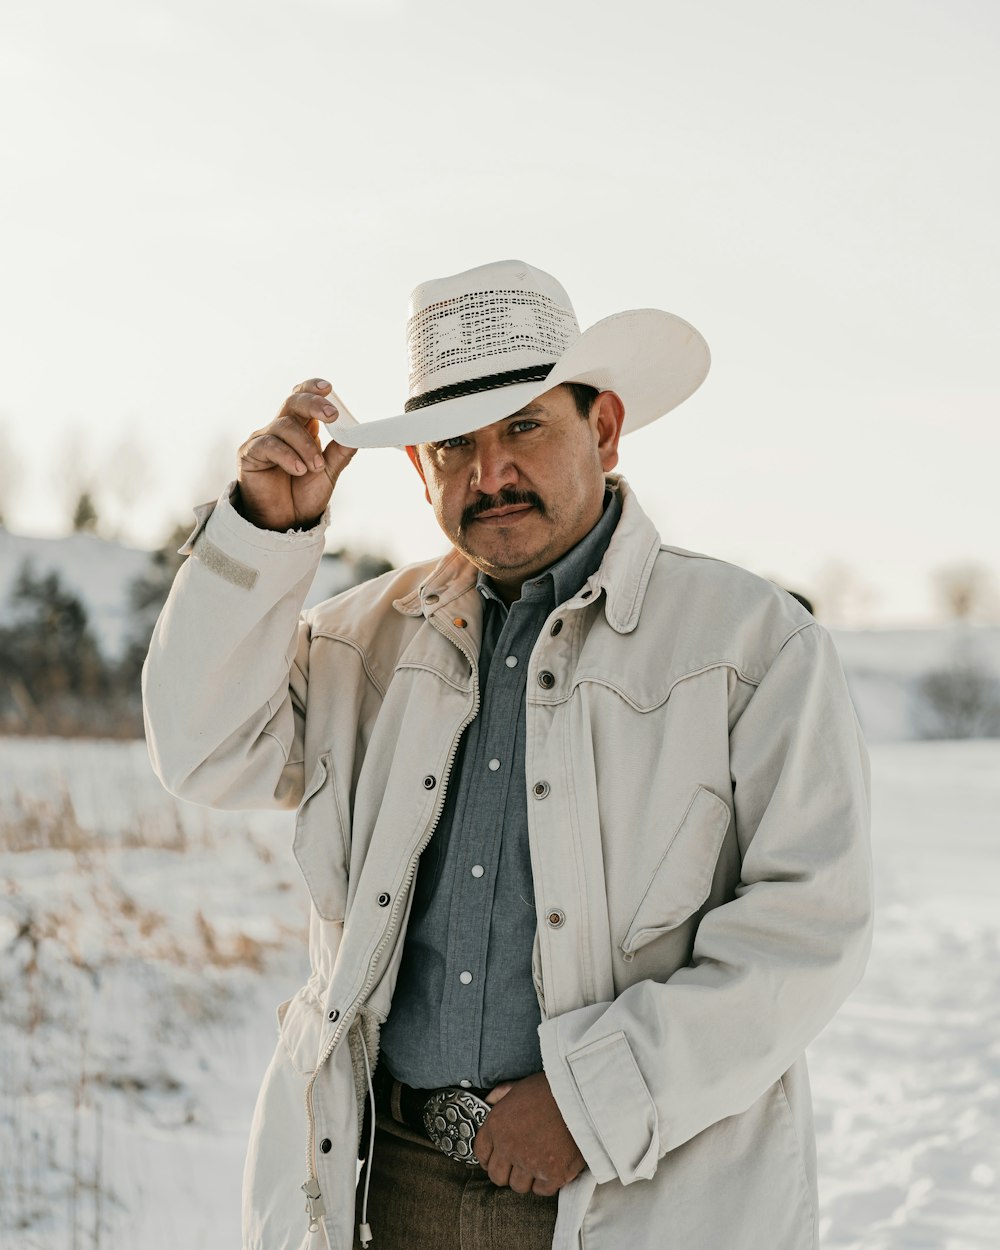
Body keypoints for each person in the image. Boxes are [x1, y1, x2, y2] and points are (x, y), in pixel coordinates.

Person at [143, 259, 872, 1250]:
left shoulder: (750, 643)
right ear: (418, 470)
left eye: (524, 426)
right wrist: (267, 532)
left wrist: (593, 1098)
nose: (489, 473)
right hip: (389, 1183)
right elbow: (203, 750)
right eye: (454, 445)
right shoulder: (363, 640)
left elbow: (808, 927)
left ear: (603, 428)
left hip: (648, 1186)